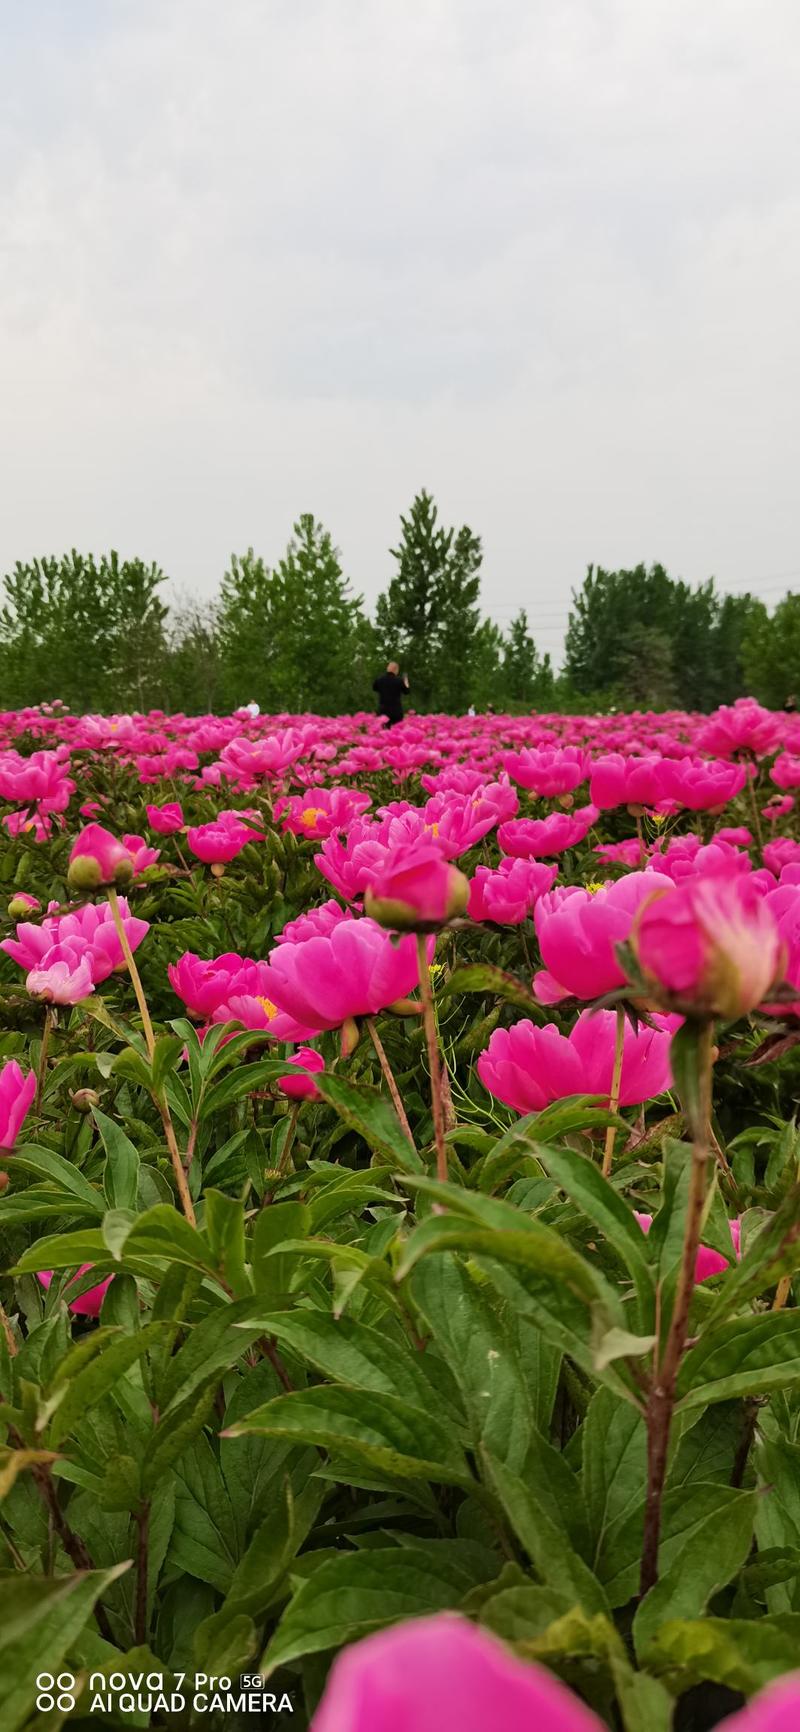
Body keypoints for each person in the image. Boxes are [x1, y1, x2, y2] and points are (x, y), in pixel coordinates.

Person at [373, 661, 409, 728]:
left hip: (383, 711)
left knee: (384, 733)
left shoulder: (379, 679)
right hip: (396, 711)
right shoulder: (399, 680)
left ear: (387, 668)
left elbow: (375, 688)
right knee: (397, 732)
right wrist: (406, 680)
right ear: (396, 670)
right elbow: (407, 691)